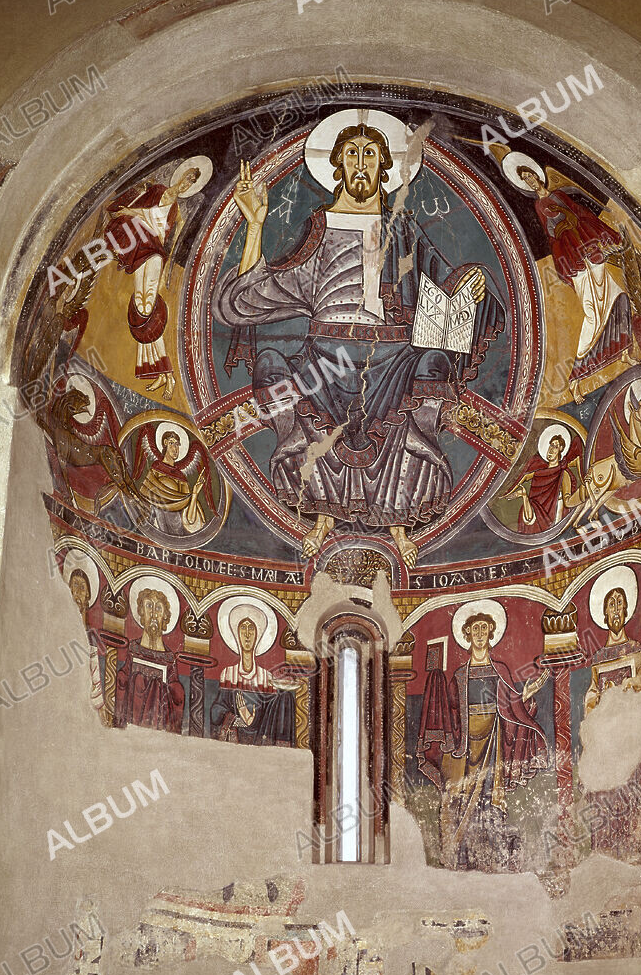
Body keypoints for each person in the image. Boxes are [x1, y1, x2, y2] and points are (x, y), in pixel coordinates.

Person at [212, 120, 505, 567]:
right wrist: (254, 226)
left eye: (371, 155)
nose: (361, 164)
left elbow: (447, 288)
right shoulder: (317, 231)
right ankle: (322, 513)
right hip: (324, 360)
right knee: (271, 363)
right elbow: (246, 301)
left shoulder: (401, 230)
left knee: (432, 364)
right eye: (352, 155)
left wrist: (474, 283)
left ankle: (401, 524)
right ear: (336, 165)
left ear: (385, 168)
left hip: (392, 358)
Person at [417, 610, 549, 870]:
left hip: (494, 741)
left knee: (489, 797)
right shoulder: (459, 675)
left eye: (483, 629)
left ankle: (490, 855)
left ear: (491, 634)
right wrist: (435, 683)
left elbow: (510, 708)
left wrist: (525, 696)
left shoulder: (499, 670)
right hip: (465, 746)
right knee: (460, 796)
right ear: (467, 635)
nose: (479, 634)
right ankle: (462, 856)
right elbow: (451, 714)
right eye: (474, 629)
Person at [518, 165, 632, 402]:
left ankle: (623, 352)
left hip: (588, 247)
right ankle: (576, 377)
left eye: (530, 175)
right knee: (591, 313)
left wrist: (604, 234)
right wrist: (562, 231)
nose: (529, 181)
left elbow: (581, 214)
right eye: (525, 179)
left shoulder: (559, 195)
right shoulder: (538, 206)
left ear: (537, 176)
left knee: (618, 295)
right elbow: (551, 235)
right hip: (571, 255)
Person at [105, 167, 201, 399]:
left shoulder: (178, 213)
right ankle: (157, 372)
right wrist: (130, 209)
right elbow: (136, 210)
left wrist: (167, 269)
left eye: (191, 182)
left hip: (155, 253)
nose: (186, 184)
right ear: (180, 175)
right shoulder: (156, 190)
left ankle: (168, 374)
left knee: (148, 304)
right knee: (139, 302)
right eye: (187, 177)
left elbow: (172, 242)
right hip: (140, 249)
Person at [210, 607, 297, 747]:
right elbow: (216, 711)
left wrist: (252, 719)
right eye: (243, 629)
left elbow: (271, 716)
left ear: (258, 635)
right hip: (236, 737)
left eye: (251, 629)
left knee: (286, 696)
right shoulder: (228, 674)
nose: (247, 635)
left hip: (261, 738)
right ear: (236, 634)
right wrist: (238, 719)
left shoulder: (266, 677)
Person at [114, 587, 185, 732]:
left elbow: (177, 698)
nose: (153, 614)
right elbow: (123, 680)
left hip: (160, 725)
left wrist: (172, 689)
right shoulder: (133, 649)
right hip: (132, 722)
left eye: (158, 608)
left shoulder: (169, 658)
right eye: (149, 606)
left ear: (165, 616)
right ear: (141, 613)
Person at [585, 586, 641, 715]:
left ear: (625, 610)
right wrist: (594, 700)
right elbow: (593, 690)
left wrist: (633, 682)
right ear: (605, 614)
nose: (616, 610)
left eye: (619, 603)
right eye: (611, 605)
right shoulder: (599, 657)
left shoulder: (633, 647)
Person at [132, 428, 209, 536]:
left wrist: (195, 494)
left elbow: (190, 519)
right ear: (165, 444)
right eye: (172, 443)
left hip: (177, 529)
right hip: (155, 523)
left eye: (177, 444)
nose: (175, 448)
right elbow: (144, 495)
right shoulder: (156, 468)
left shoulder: (180, 477)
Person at [505, 432, 582, 533]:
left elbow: (568, 502)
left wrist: (584, 491)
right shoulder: (538, 471)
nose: (551, 449)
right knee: (526, 509)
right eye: (551, 445)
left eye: (555, 446)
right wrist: (509, 490)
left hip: (552, 520)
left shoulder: (563, 474)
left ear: (561, 450)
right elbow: (524, 477)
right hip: (534, 514)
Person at [68, 567, 105, 714]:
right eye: (74, 586)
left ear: (88, 595)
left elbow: (97, 676)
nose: (77, 592)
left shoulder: (94, 637)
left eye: (82, 587)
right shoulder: (58, 628)